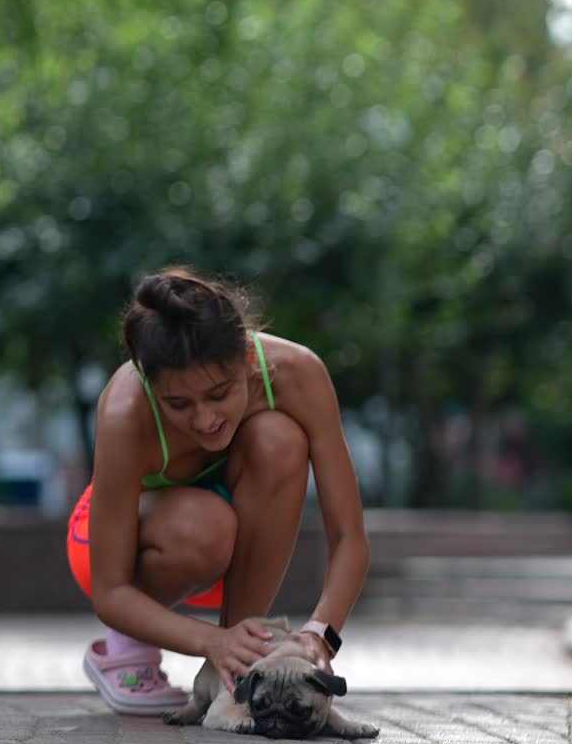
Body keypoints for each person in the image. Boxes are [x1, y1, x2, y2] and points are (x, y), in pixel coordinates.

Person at [67, 265, 370, 714]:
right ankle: (125, 649)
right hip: (115, 551)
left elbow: (349, 536)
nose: (205, 419)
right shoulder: (124, 410)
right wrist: (208, 639)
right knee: (206, 522)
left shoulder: (297, 373)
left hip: (234, 553)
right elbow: (109, 594)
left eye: (219, 393)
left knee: (280, 440)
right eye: (178, 404)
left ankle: (232, 666)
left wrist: (319, 634)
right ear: (150, 382)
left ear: (247, 359)